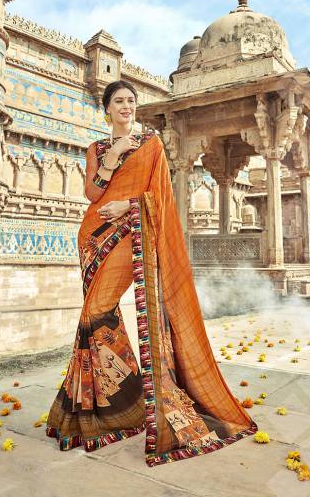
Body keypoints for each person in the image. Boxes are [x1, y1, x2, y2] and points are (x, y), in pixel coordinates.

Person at [46, 79, 257, 467]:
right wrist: (114, 156)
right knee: (97, 317)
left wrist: (126, 204)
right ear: (107, 108)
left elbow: (160, 197)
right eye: (119, 101)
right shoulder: (97, 148)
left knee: (95, 314)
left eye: (131, 101)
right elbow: (92, 194)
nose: (126, 106)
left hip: (128, 232)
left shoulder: (152, 144)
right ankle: (115, 407)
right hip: (92, 236)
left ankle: (111, 404)